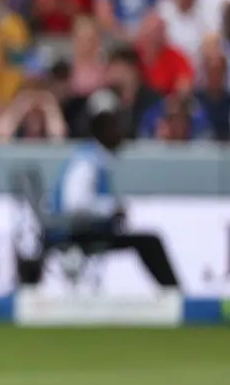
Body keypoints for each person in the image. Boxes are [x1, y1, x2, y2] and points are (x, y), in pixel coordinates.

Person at [35, 90, 180, 289]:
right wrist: (112, 209)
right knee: (149, 242)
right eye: (116, 123)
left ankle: (173, 293)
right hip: (75, 232)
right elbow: (75, 205)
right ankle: (175, 294)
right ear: (103, 126)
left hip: (81, 229)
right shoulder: (87, 161)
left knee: (148, 241)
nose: (121, 130)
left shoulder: (96, 158)